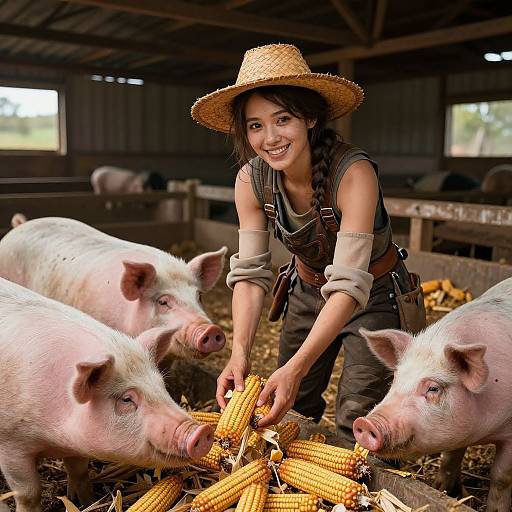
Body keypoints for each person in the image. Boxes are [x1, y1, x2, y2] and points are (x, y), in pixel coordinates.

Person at [191, 43, 425, 442]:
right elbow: (249, 275)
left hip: (372, 294)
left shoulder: (354, 174)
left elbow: (351, 284)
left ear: (310, 117)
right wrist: (240, 354)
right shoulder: (252, 180)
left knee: (355, 414)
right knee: (291, 409)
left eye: (283, 119)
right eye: (255, 125)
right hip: (306, 290)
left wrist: (296, 366)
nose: (270, 137)